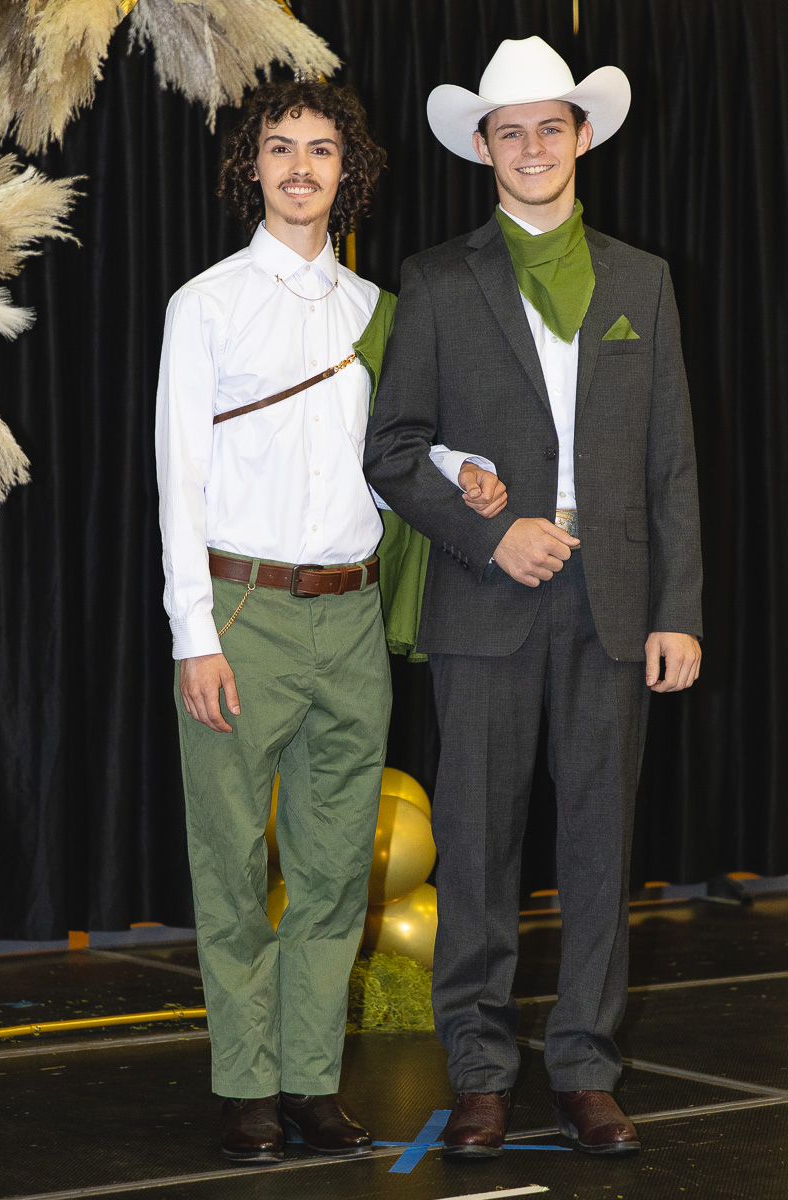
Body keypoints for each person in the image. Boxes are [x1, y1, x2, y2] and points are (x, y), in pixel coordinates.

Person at [155, 79, 504, 1164]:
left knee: (333, 874)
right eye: (278, 148)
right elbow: (179, 476)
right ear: (249, 168)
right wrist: (192, 632)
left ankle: (309, 1083)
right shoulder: (202, 304)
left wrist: (466, 472)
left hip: (350, 620)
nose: (299, 167)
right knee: (227, 864)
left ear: (346, 170)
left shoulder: (375, 313)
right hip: (242, 612)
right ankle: (243, 1087)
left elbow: (400, 455)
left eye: (320, 150)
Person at [365, 36, 702, 1158]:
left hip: (612, 604)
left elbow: (669, 466)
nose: (529, 146)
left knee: (600, 844)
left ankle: (585, 1068)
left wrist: (677, 609)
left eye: (548, 126)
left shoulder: (639, 280)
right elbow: (395, 450)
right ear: (480, 148)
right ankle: (477, 1071)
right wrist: (485, 534)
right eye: (507, 131)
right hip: (486, 602)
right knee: (475, 842)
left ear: (579, 136)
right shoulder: (439, 279)